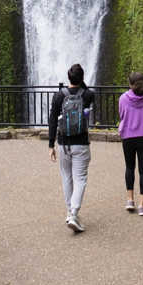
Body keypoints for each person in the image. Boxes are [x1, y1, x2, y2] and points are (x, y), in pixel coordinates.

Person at [48, 63, 96, 233]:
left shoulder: (58, 96)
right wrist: (82, 83)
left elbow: (52, 122)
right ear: (82, 78)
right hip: (81, 143)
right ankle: (74, 213)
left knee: (66, 178)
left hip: (63, 144)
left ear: (68, 78)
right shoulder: (88, 95)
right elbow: (87, 90)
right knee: (80, 179)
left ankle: (70, 212)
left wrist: (51, 145)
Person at [119, 71, 143, 217]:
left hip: (128, 137)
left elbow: (122, 114)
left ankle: (130, 201)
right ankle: (142, 205)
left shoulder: (123, 98)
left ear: (130, 84)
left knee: (129, 167)